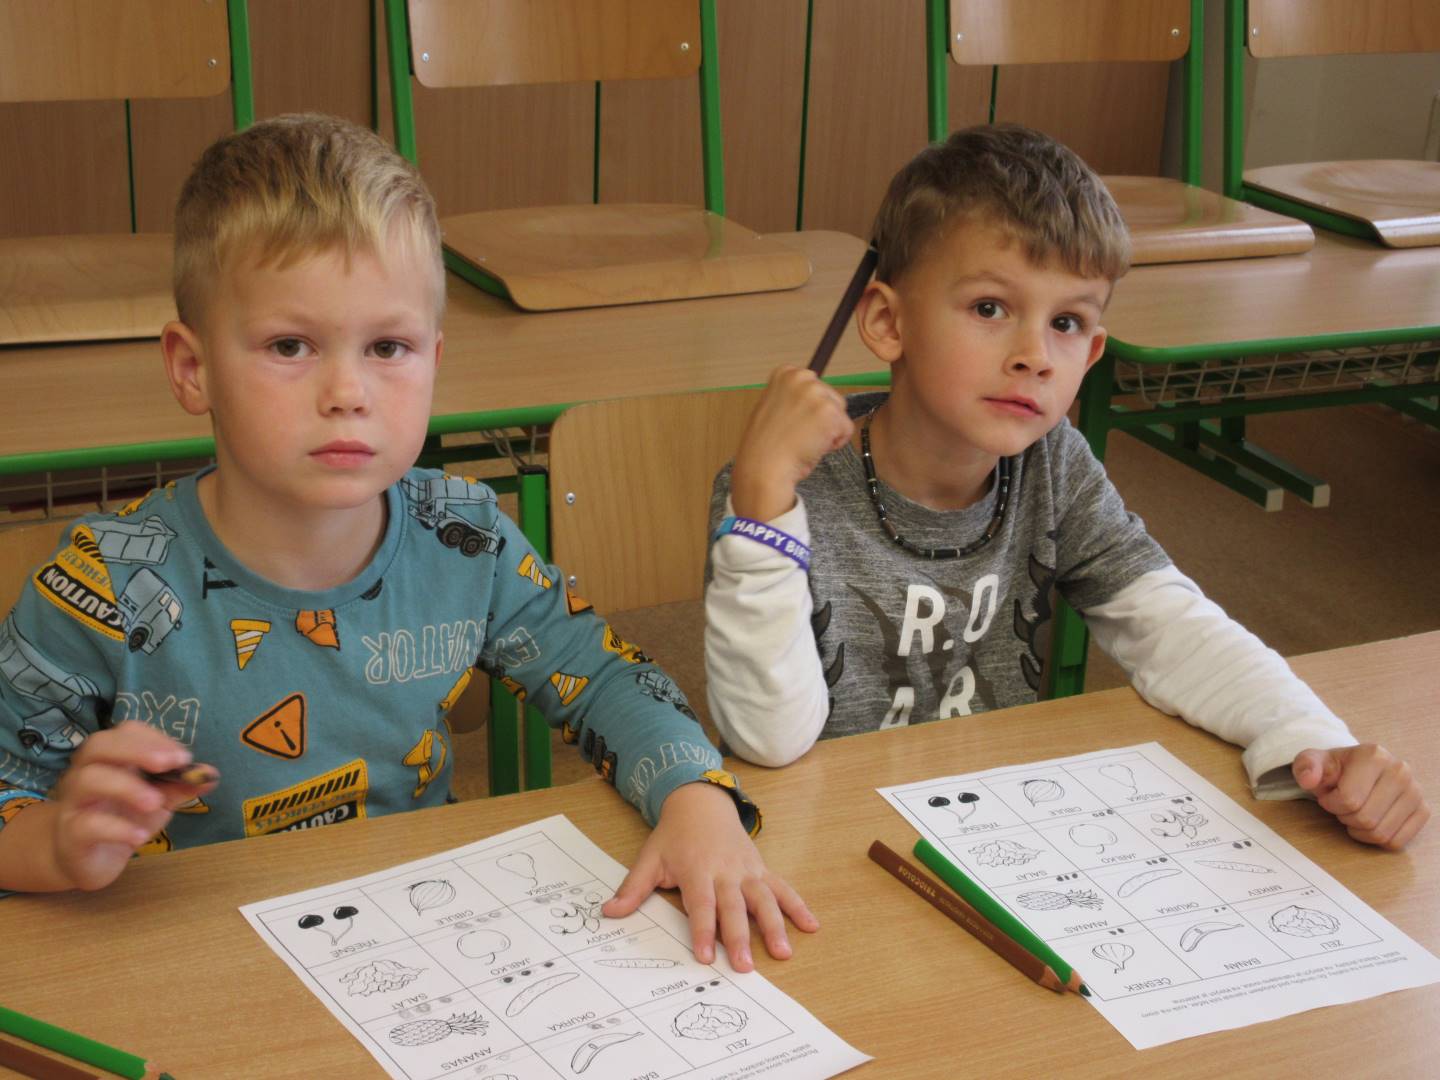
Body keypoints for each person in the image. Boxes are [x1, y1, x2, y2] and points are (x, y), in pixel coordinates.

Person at [0, 114, 817, 968]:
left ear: (435, 357)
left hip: (416, 948)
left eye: (388, 347)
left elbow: (606, 676)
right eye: (290, 346)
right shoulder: (100, 583)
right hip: (189, 964)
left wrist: (696, 801)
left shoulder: (464, 537)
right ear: (191, 367)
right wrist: (54, 845)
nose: (348, 391)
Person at [705, 123, 1428, 851]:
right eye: (990, 308)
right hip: (828, 835)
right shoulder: (776, 494)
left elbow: (1172, 628)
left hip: (995, 827)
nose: (1036, 356)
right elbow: (769, 740)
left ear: (1094, 352)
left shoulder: (1054, 463)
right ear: (889, 322)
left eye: (1068, 322)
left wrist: (1313, 741)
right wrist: (762, 509)